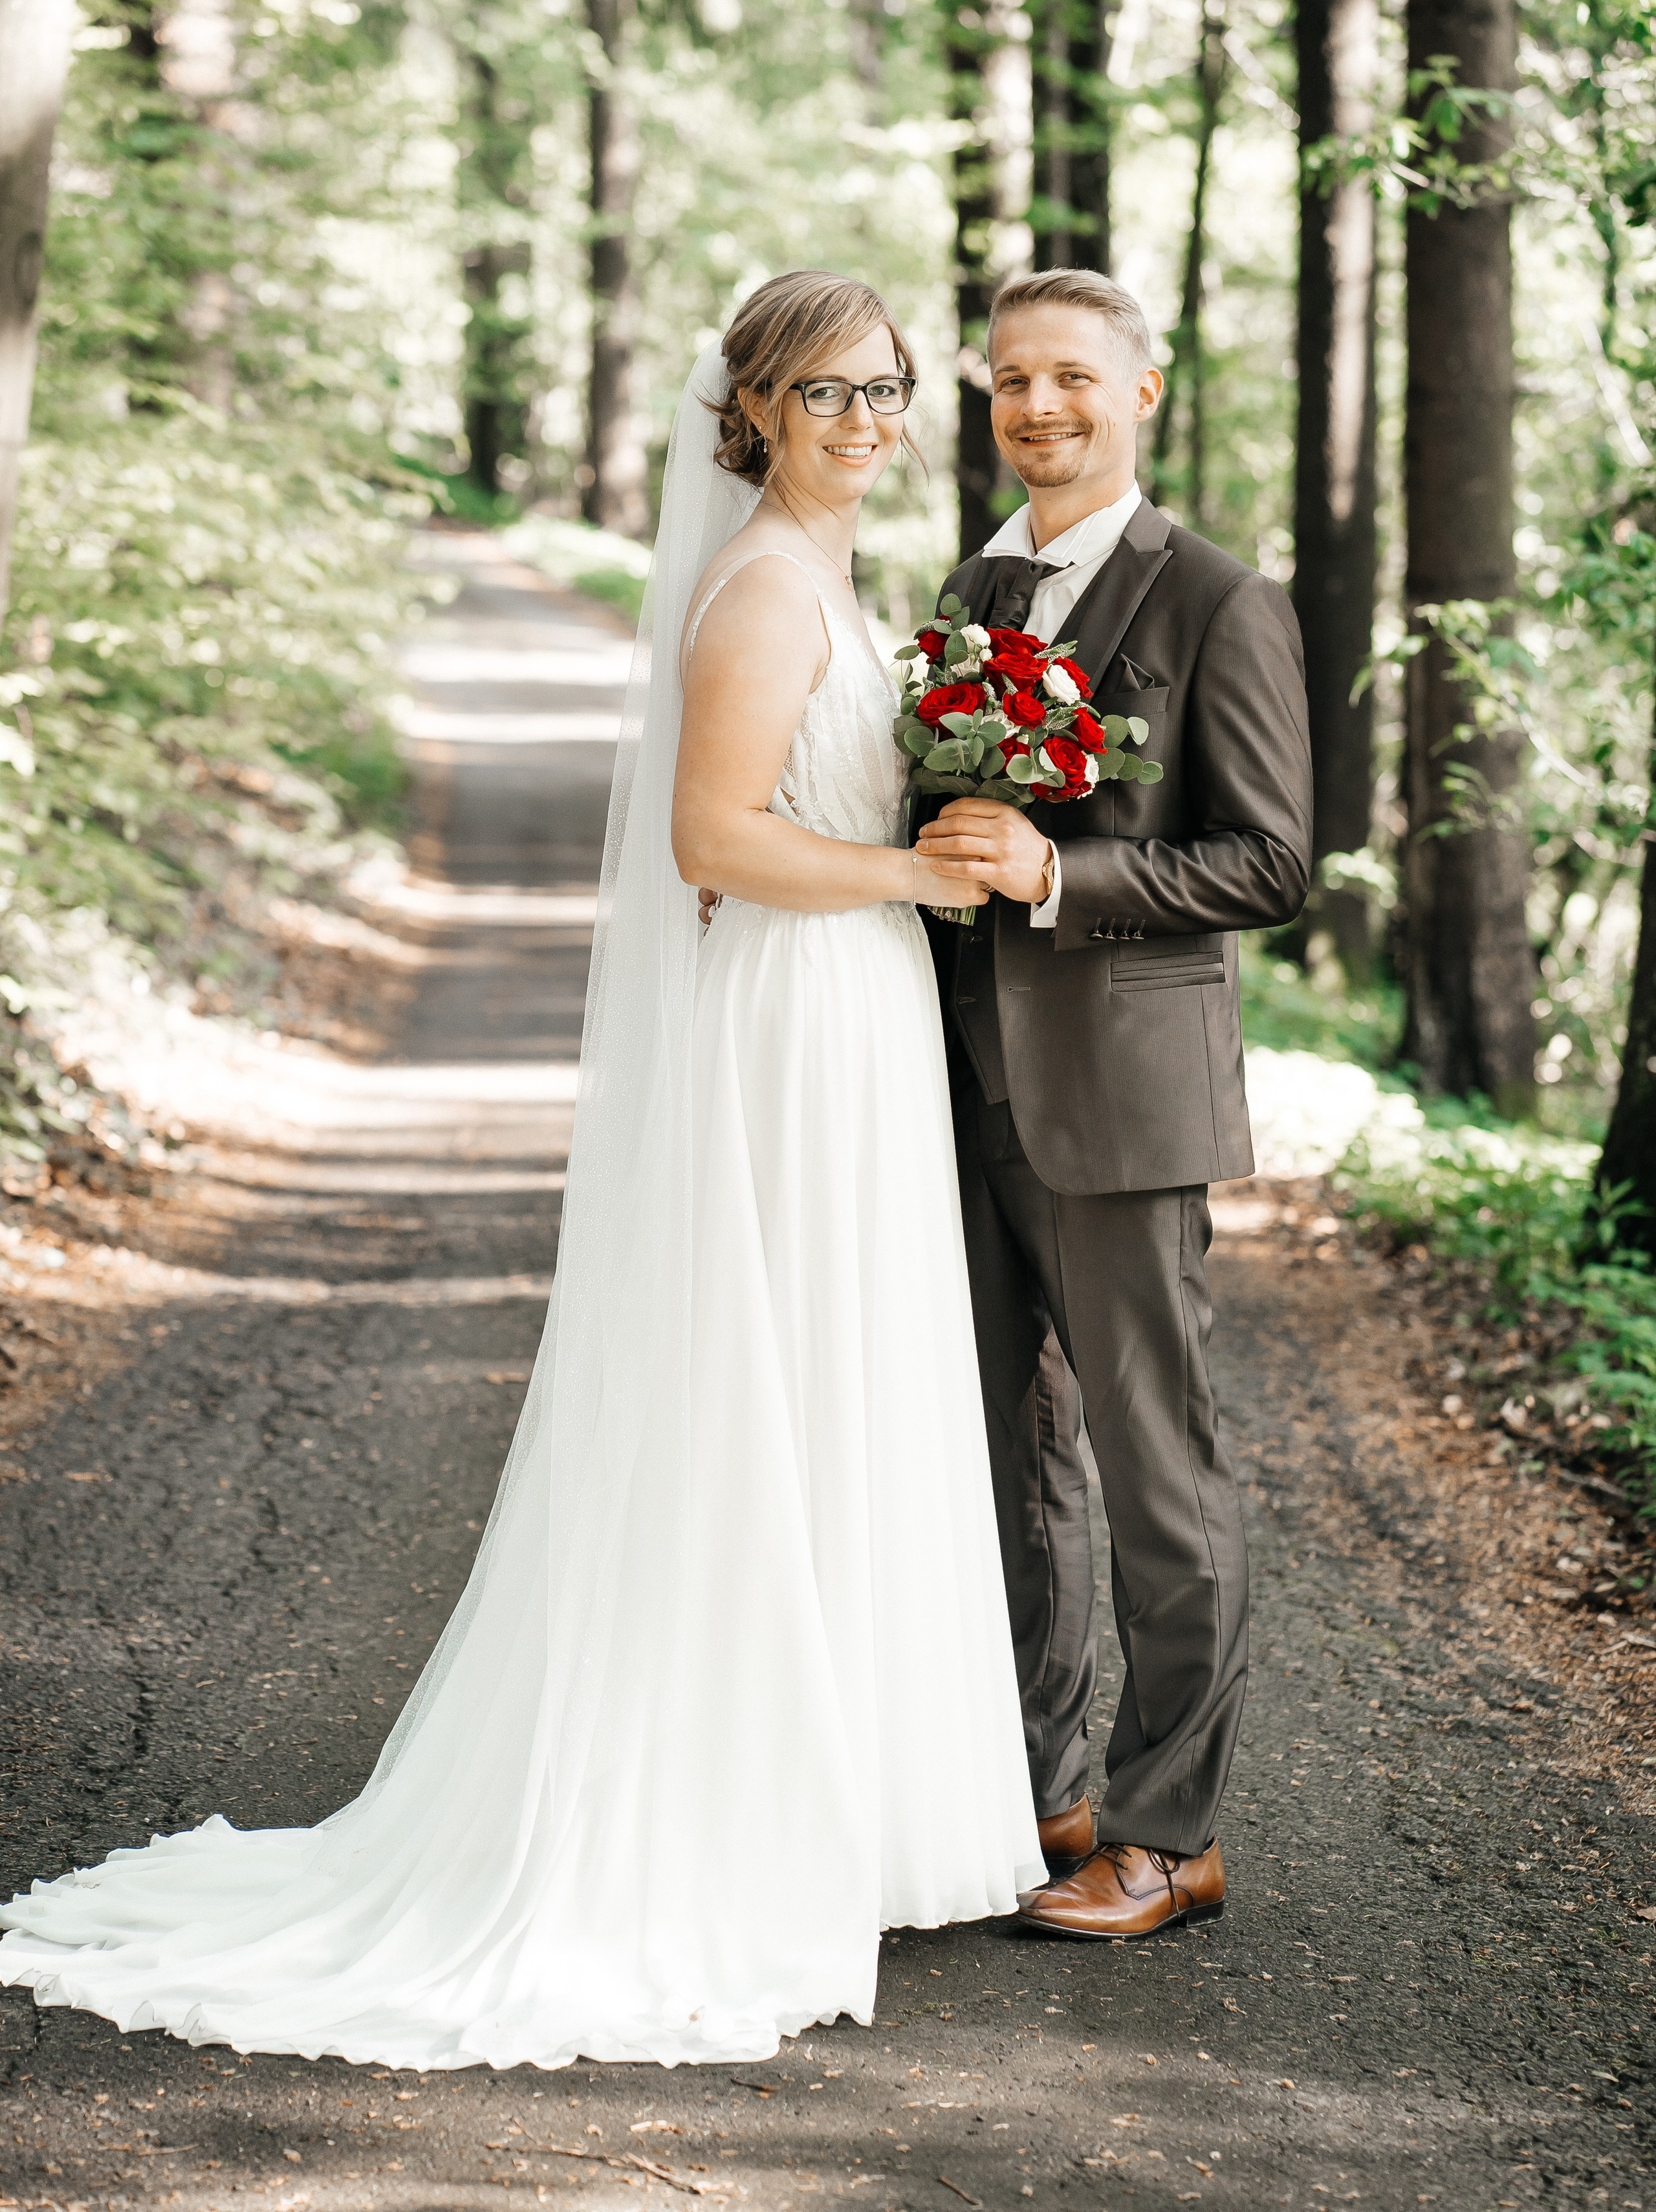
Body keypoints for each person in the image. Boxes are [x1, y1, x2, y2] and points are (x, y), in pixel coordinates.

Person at [0, 271, 1042, 2068]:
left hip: (849, 1008)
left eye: (886, 391)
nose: (866, 423)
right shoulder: (766, 591)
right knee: (767, 1398)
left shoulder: (828, 577)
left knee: (831, 1391)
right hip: (797, 1014)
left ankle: (829, 1799)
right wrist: (912, 880)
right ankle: (722, 1812)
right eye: (828, 396)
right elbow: (711, 839)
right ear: (757, 416)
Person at [914, 267, 1313, 1940]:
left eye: (1072, 376)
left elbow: (1273, 857)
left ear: (1140, 393)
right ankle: (1032, 1795)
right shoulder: (978, 576)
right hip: (960, 1083)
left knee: (1160, 1469)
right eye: (1012, 380)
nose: (1038, 407)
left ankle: (1171, 1830)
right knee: (1007, 1461)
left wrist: (1063, 877)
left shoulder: (1218, 597)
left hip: (1124, 1096)